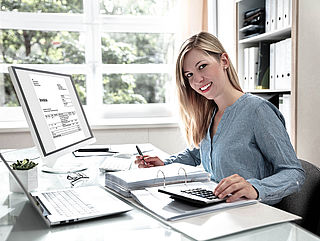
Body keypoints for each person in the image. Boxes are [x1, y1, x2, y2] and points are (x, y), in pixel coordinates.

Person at [135, 32, 305, 205]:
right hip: (220, 210)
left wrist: (255, 188)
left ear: (224, 61)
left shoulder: (258, 111)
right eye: (189, 75)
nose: (197, 80)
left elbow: (293, 172)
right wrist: (164, 163)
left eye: (202, 66)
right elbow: (198, 153)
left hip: (254, 213)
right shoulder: (210, 113)